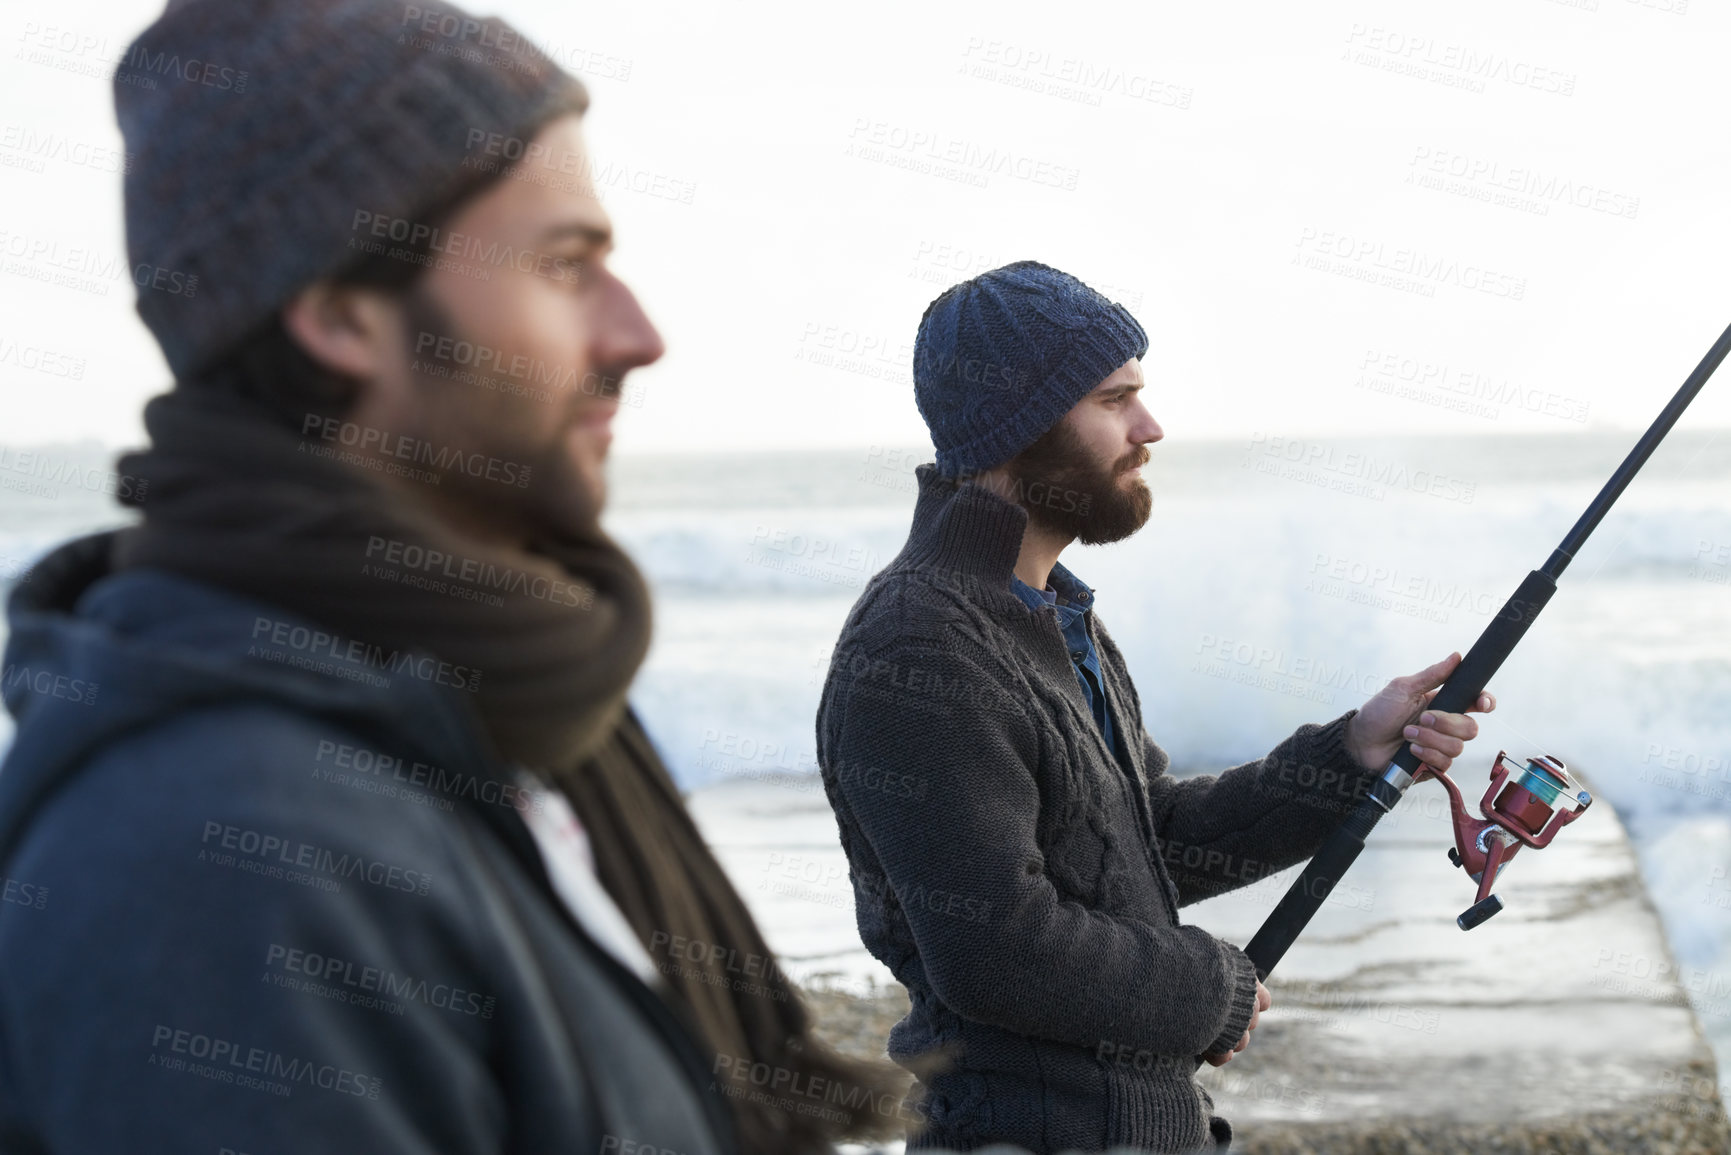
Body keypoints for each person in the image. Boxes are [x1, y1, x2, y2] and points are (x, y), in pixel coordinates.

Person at [0, 1, 902, 1151]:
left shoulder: (478, 704)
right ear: (340, 314)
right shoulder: (229, 856)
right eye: (566, 265)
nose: (638, 334)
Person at [814, 261, 1495, 1153]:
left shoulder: (1051, 610)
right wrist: (1215, 986)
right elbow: (997, 949)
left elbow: (1145, 841)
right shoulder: (919, 648)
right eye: (1113, 399)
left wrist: (1351, 755)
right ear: (1017, 423)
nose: (1150, 426)